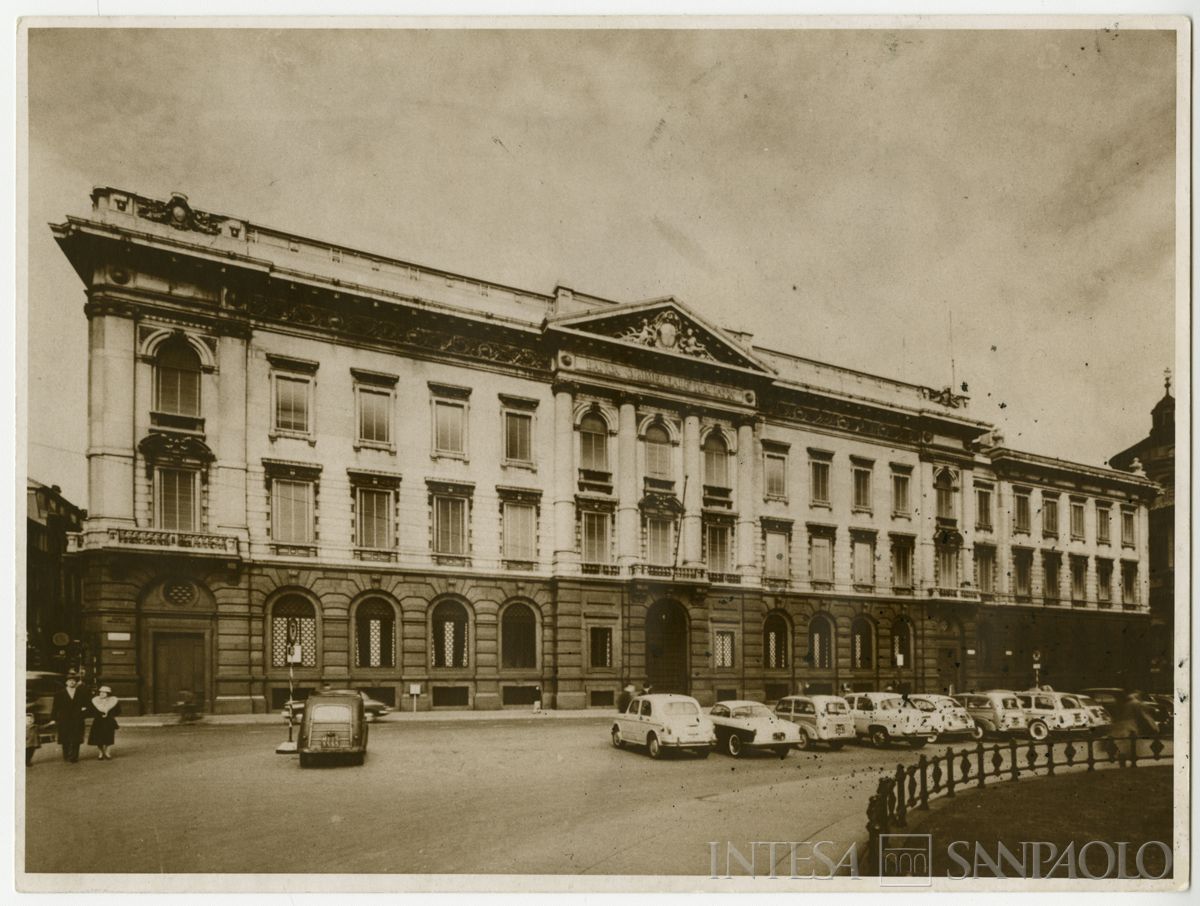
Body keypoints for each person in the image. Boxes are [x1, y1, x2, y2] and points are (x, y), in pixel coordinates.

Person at [51, 671, 89, 763]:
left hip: (77, 718)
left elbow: (87, 705)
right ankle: (66, 755)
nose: (72, 682)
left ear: (76, 682)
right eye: (69, 680)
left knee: (76, 738)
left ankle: (74, 757)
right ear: (66, 682)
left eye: (73, 680)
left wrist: (83, 713)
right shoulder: (59, 694)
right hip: (64, 719)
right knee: (65, 738)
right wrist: (53, 718)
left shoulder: (81, 693)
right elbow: (55, 707)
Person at [87, 685, 121, 760]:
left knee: (108, 737)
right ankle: (100, 752)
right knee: (98, 737)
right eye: (100, 692)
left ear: (108, 694)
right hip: (98, 721)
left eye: (104, 693)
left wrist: (110, 714)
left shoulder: (113, 701)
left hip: (109, 721)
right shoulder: (95, 701)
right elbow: (91, 710)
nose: (101, 694)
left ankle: (107, 752)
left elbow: (118, 711)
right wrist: (98, 714)